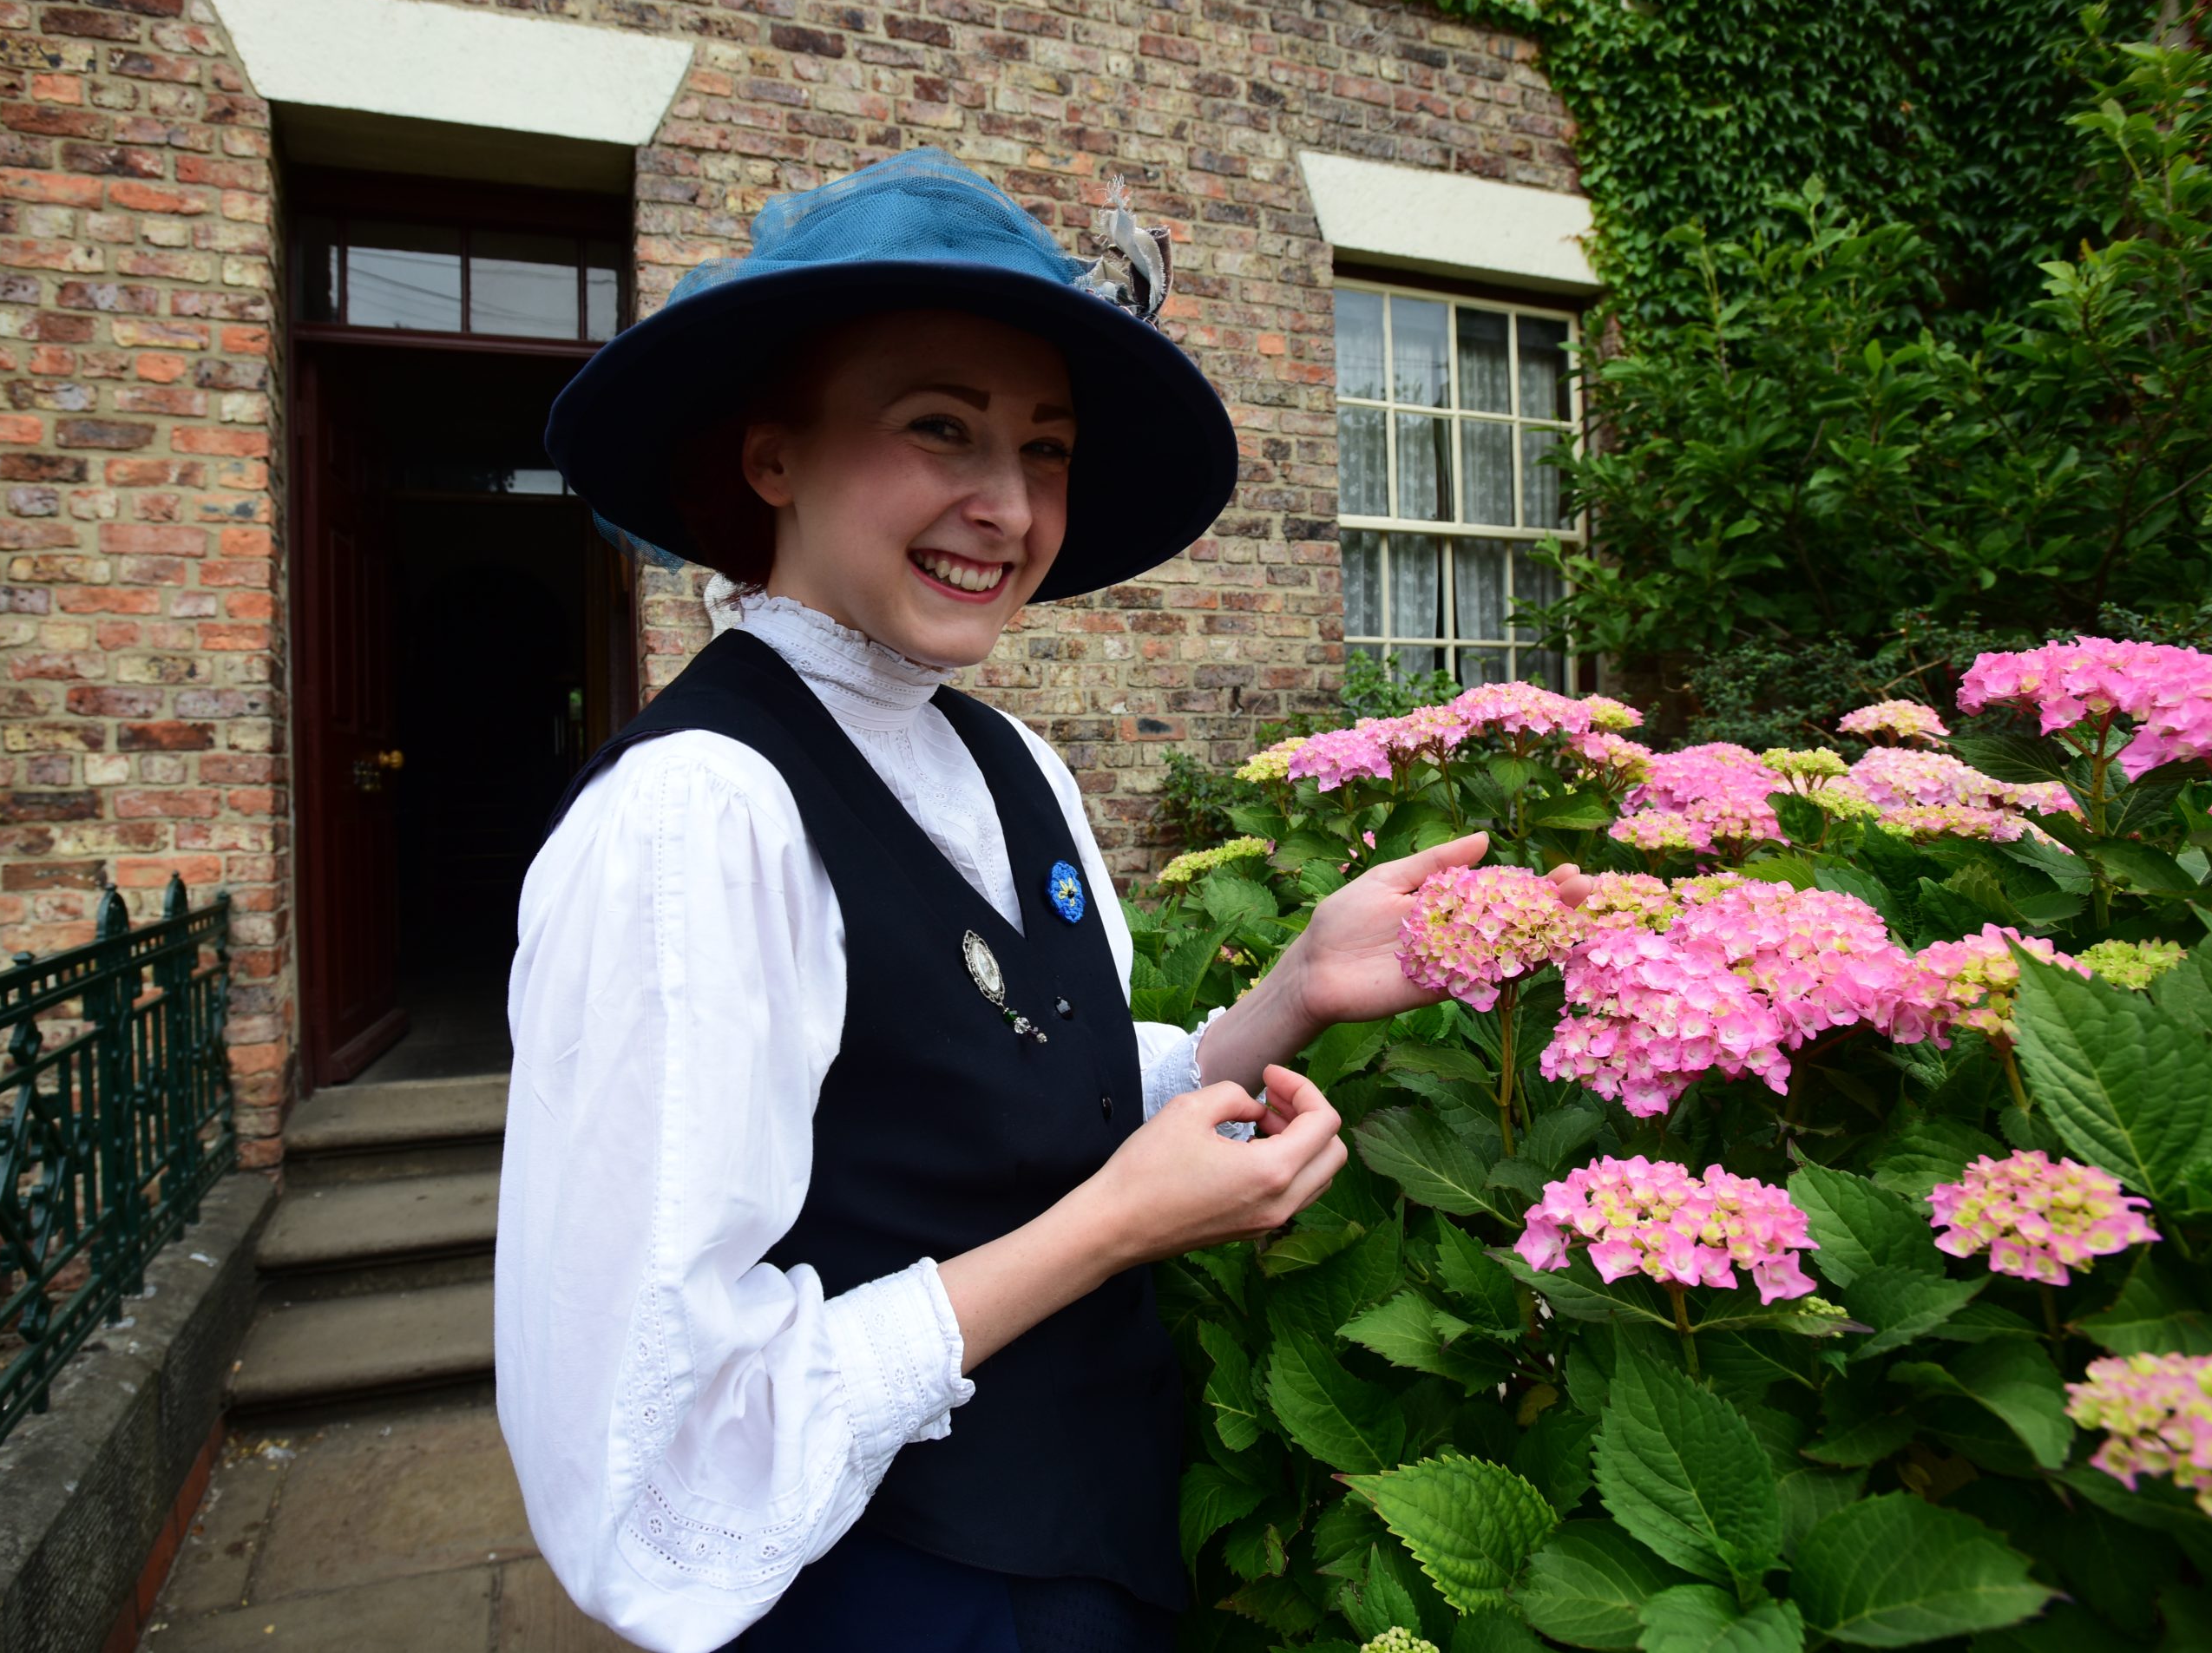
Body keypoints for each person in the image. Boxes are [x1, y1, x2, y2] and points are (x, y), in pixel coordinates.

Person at [495, 150, 1585, 1653]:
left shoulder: (1008, 760)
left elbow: (1023, 1083)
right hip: (891, 1592)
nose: (1005, 507)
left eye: (1048, 449)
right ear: (773, 460)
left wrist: (1293, 994)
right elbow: (657, 1432)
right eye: (937, 427)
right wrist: (1112, 1231)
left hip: (1101, 1536)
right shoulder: (696, 817)